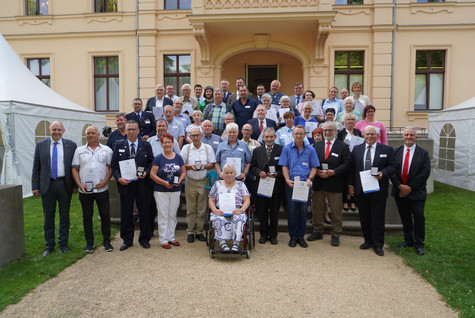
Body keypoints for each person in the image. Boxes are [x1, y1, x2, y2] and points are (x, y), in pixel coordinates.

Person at [348, 125, 395, 256]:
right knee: (364, 217)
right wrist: (351, 185)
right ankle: (367, 240)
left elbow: (392, 166)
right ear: (363, 135)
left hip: (378, 189)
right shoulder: (357, 149)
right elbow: (352, 168)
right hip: (361, 189)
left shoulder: (387, 149)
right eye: (367, 134)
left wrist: (383, 173)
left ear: (377, 135)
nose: (369, 136)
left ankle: (378, 244)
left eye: (372, 134)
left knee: (378, 218)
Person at [32, 121, 77, 257]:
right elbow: (36, 167)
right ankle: (49, 245)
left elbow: (74, 168)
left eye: (59, 129)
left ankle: (63, 243)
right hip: (48, 185)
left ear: (63, 131)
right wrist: (35, 187)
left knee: (65, 216)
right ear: (49, 130)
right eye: (54, 129)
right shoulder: (41, 145)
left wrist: (75, 185)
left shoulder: (71, 145)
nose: (56, 132)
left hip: (64, 184)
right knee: (48, 217)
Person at [111, 120, 154, 251]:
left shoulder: (145, 145)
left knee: (144, 212)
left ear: (138, 131)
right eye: (129, 129)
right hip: (126, 184)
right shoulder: (119, 145)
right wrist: (118, 178)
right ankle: (127, 239)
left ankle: (145, 238)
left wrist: (146, 172)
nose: (131, 132)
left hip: (142, 184)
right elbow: (114, 165)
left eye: (133, 129)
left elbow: (151, 163)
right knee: (126, 212)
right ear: (126, 130)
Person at [307, 122, 351, 247]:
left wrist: (334, 172)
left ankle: (336, 234)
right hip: (319, 183)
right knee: (316, 209)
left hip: (335, 184)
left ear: (335, 131)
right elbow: (311, 161)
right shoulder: (316, 145)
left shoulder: (343, 147)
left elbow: (347, 163)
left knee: (336, 211)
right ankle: (317, 231)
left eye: (330, 130)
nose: (327, 133)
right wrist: (317, 171)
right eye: (325, 130)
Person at [72, 126, 113, 252]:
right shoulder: (79, 150)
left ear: (98, 134)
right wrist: (79, 184)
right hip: (85, 190)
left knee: (105, 216)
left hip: (102, 189)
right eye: (88, 133)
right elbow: (74, 168)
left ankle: (107, 242)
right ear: (85, 135)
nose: (91, 135)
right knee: (87, 216)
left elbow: (111, 168)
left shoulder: (107, 150)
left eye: (93, 133)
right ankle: (89, 243)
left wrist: (105, 181)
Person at [390, 127, 431, 256]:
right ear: (402, 137)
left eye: (411, 135)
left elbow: (425, 173)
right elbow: (391, 171)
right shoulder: (396, 151)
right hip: (399, 191)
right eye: (406, 135)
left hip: (416, 192)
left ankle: (419, 244)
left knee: (419, 217)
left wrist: (408, 188)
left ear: (416, 138)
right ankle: (408, 240)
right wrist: (399, 186)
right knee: (405, 217)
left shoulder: (423, 153)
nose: (409, 137)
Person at [279, 125, 319, 248]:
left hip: (304, 185)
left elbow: (314, 167)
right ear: (293, 135)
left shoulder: (311, 150)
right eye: (296, 134)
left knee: (302, 211)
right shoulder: (286, 149)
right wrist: (287, 179)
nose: (298, 136)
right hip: (291, 184)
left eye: (301, 134)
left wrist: (310, 179)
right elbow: (284, 166)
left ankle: (301, 236)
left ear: (304, 135)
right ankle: (292, 236)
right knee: (291, 211)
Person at [149, 133, 186, 249]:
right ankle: (163, 239)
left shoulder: (178, 158)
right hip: (161, 191)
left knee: (172, 214)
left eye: (169, 142)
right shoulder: (158, 158)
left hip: (175, 190)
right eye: (165, 142)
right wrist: (164, 183)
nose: (167, 144)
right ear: (161, 144)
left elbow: (184, 171)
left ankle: (171, 237)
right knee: (163, 215)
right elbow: (152, 174)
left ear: (173, 143)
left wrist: (180, 180)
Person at [181, 128, 217, 243]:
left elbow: (213, 163)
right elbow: (181, 164)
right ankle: (190, 231)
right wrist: (189, 167)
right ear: (190, 137)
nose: (195, 138)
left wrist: (205, 166)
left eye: (197, 135)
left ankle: (199, 231)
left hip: (203, 180)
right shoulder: (186, 149)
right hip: (190, 180)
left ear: (201, 136)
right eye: (193, 136)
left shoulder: (207, 148)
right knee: (191, 208)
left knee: (202, 208)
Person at [147, 118, 181, 235]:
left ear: (167, 128)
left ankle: (170, 236)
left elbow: (178, 159)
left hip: (172, 183)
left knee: (171, 213)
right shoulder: (150, 141)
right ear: (156, 128)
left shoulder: (174, 141)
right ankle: (152, 231)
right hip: (154, 179)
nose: (161, 128)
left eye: (163, 126)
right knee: (153, 207)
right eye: (159, 126)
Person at [250, 127, 283, 245]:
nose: (269, 139)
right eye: (267, 137)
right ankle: (263, 234)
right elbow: (252, 167)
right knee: (262, 211)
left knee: (274, 211)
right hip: (262, 185)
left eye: (271, 137)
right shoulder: (257, 150)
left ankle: (273, 234)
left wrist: (277, 174)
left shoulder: (281, 149)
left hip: (276, 186)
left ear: (275, 137)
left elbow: (284, 167)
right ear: (263, 138)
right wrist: (259, 172)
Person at [208, 164, 251, 252]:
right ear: (223, 174)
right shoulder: (217, 184)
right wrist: (215, 210)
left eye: (231, 172)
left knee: (238, 218)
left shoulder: (241, 184)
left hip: (237, 210)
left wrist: (242, 209)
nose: (229, 175)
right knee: (218, 218)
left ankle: (236, 243)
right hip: (221, 211)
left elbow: (247, 200)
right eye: (226, 173)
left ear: (235, 173)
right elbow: (211, 200)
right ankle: (222, 243)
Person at [337, 113, 363, 212]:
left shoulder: (358, 132)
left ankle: (353, 201)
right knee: (344, 180)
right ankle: (344, 201)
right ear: (344, 121)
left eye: (352, 119)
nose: (350, 121)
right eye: (348, 119)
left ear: (355, 121)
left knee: (354, 180)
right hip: (344, 160)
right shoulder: (341, 133)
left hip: (356, 159)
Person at [311, 127, 332, 224]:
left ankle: (326, 215)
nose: (317, 137)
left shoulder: (326, 146)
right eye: (315, 136)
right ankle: (314, 216)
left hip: (326, 174)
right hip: (315, 175)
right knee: (314, 199)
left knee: (326, 199)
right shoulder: (311, 147)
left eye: (318, 135)